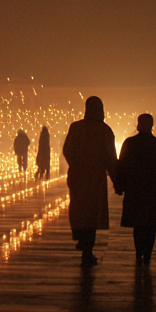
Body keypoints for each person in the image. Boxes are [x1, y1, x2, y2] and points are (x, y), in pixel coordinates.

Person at [62, 96, 118, 268]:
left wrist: (77, 164)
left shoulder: (76, 127)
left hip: (78, 177)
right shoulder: (105, 130)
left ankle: (80, 237)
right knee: (92, 213)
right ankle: (88, 248)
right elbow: (110, 157)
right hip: (95, 178)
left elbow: (67, 150)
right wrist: (117, 180)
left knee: (79, 209)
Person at [113, 114, 156, 266]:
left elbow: (122, 166)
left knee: (138, 225)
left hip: (135, 189)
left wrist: (119, 184)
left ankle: (139, 252)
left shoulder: (130, 143)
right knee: (150, 225)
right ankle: (148, 255)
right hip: (153, 190)